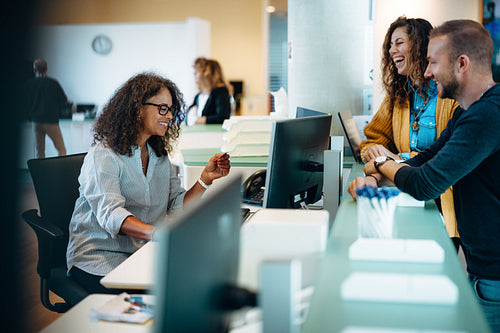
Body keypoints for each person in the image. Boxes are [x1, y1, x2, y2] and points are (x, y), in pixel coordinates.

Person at [348, 20, 500, 332]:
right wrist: (379, 173)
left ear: (461, 64)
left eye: (432, 62)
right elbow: (422, 161)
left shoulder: (487, 116)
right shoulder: (467, 112)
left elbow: (424, 182)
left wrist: (380, 166)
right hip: (479, 264)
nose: (427, 72)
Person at [66, 72, 231, 294]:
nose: (169, 115)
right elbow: (113, 216)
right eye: (162, 108)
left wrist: (205, 179)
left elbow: (175, 204)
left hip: (142, 252)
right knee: (174, 291)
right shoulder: (103, 156)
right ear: (137, 109)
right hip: (98, 258)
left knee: (203, 276)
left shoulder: (158, 155)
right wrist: (159, 234)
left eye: (171, 109)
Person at [359, 16, 461, 250]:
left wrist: (393, 160)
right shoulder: (398, 95)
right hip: (405, 192)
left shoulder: (449, 95)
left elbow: (450, 156)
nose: (391, 50)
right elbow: (372, 139)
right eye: (390, 45)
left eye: (399, 43)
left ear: (419, 45)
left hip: (441, 199)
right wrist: (374, 152)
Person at [25, 58, 68, 158]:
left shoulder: (29, 84)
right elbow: (63, 100)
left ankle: (39, 173)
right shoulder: (53, 83)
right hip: (51, 121)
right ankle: (61, 171)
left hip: (36, 121)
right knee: (61, 149)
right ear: (46, 69)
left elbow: (25, 103)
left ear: (34, 70)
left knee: (39, 151)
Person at [186, 58, 232, 125]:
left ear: (207, 74)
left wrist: (198, 121)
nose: (194, 73)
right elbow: (188, 115)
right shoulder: (198, 96)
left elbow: (222, 117)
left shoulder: (221, 91)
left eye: (197, 71)